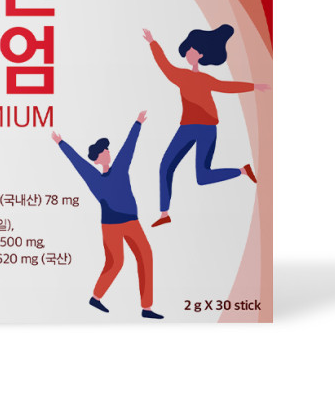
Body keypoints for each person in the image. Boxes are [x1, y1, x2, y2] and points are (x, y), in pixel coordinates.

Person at [143, 25, 270, 227]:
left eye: (191, 50)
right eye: (187, 50)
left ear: (200, 54)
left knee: (202, 177)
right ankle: (164, 213)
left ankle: (242, 171)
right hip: (187, 128)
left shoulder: (205, 79)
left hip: (207, 129)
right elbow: (164, 65)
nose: (188, 53)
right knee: (165, 166)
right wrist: (153, 42)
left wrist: (254, 86)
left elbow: (227, 87)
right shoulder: (181, 76)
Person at [51, 111, 163, 319]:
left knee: (145, 256)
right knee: (115, 262)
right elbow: (77, 162)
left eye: (108, 149)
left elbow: (128, 147)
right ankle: (96, 297)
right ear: (98, 158)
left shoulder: (120, 168)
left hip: (132, 222)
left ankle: (146, 308)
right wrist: (61, 143)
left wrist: (137, 124)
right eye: (104, 151)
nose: (108, 152)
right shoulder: (94, 178)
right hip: (111, 225)